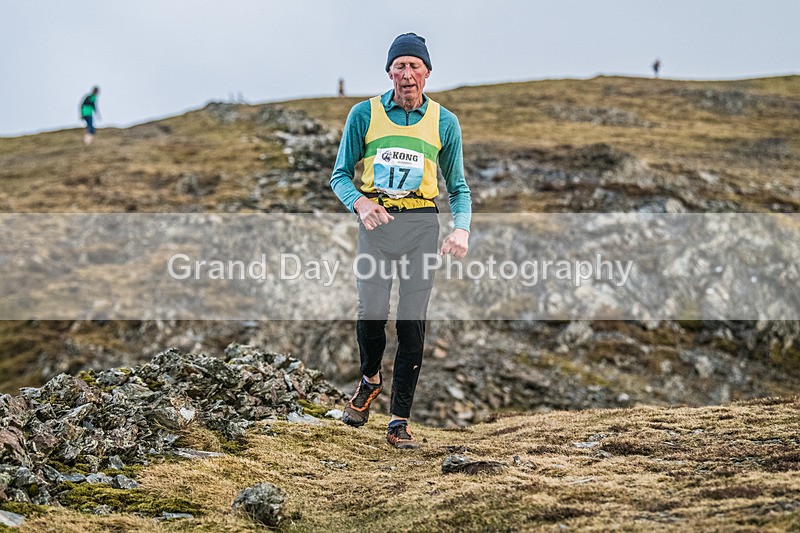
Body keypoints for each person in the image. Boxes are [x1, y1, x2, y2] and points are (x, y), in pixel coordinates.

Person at [329, 33, 471, 449]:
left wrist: (460, 227)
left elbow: (458, 187)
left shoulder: (445, 121)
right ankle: (370, 380)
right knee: (372, 311)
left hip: (422, 225)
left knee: (412, 322)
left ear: (427, 72)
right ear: (389, 71)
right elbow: (339, 175)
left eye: (415, 66)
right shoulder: (364, 114)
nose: (407, 75)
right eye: (399, 66)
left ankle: (399, 423)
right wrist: (360, 204)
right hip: (376, 224)